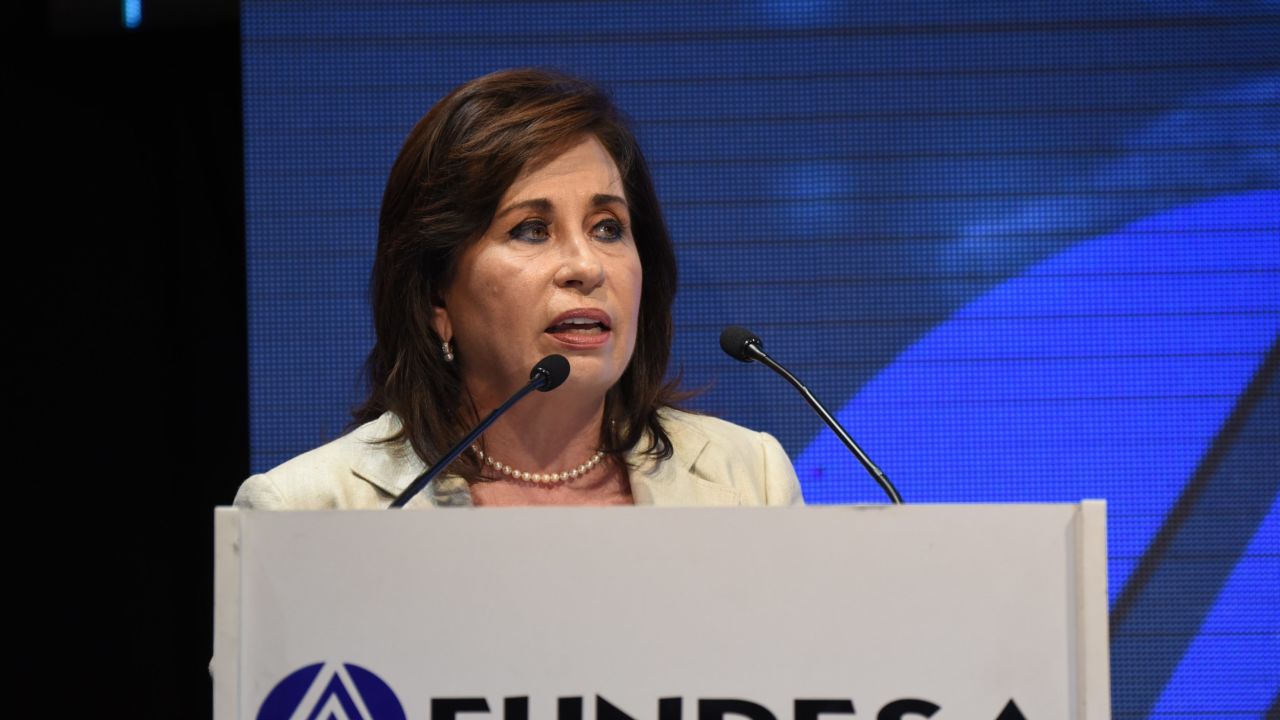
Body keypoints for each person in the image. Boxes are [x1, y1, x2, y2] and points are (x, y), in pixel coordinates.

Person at [234, 69, 802, 509]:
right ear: (438, 297)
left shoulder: (749, 479)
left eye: (608, 228)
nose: (586, 266)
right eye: (532, 230)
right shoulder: (311, 512)